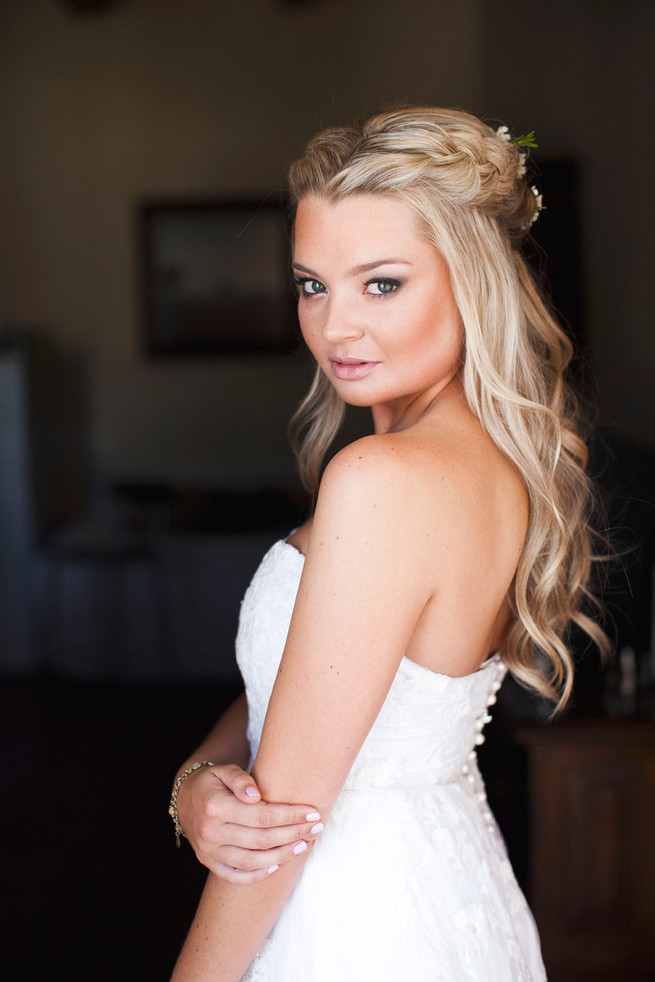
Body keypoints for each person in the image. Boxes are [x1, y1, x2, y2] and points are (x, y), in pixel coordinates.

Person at [169, 107, 607, 981]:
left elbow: (285, 822)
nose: (334, 328)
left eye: (380, 283)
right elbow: (298, 698)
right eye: (310, 285)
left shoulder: (385, 480)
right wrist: (196, 782)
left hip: (354, 925)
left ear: (470, 279)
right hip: (447, 899)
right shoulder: (481, 458)